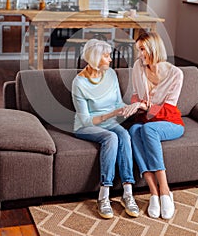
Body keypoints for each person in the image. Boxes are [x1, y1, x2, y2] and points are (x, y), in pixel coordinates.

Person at [72, 39, 139, 219]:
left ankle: (127, 193)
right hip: (86, 126)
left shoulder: (110, 74)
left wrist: (130, 108)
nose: (110, 59)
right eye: (107, 56)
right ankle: (104, 195)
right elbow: (86, 120)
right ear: (95, 58)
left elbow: (118, 103)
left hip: (109, 122)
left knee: (124, 135)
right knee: (111, 138)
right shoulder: (79, 83)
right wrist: (112, 114)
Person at [122, 32, 184, 220]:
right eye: (138, 50)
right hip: (145, 121)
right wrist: (136, 104)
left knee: (148, 129)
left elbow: (168, 109)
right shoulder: (137, 67)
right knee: (133, 130)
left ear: (153, 49)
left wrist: (143, 105)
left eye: (142, 50)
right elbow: (135, 95)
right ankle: (153, 192)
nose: (139, 55)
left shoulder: (175, 74)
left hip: (170, 122)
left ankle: (164, 189)